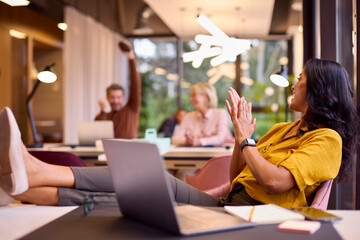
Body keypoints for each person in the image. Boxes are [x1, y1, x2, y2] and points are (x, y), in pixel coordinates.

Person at [0, 58, 357, 208]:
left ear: (319, 91)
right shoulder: (284, 128)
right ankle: (29, 184)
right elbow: (239, 175)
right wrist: (239, 138)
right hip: (228, 205)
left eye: (301, 79)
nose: (294, 83)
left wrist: (247, 139)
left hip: (252, 218)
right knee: (137, 192)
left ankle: (33, 176)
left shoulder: (327, 140)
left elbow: (277, 183)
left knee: (141, 191)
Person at [94, 41, 141, 139]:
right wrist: (103, 111)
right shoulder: (102, 116)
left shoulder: (131, 109)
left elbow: (135, 85)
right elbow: (99, 138)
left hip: (130, 152)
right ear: (107, 97)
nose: (115, 101)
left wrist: (131, 58)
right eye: (112, 97)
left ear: (123, 98)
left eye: (118, 97)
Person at [172, 82, 231, 147]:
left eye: (194, 95)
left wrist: (199, 142)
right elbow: (174, 139)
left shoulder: (220, 114)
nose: (191, 99)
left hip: (214, 155)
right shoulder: (188, 117)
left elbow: (220, 138)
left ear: (206, 97)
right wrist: (186, 141)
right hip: (192, 155)